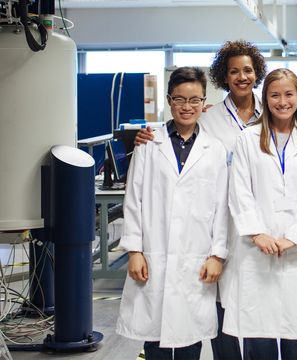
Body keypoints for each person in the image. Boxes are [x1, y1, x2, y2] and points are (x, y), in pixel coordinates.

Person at [134, 40, 267, 360]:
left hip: (261, 223)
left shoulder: (272, 115)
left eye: (247, 70)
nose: (241, 77)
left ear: (257, 73)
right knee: (215, 310)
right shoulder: (208, 119)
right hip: (214, 229)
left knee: (259, 308)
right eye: (234, 71)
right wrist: (146, 136)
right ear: (224, 76)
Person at [116, 66, 229, 359]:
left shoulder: (213, 149)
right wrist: (134, 250)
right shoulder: (149, 144)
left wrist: (217, 255)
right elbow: (134, 200)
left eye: (194, 100)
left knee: (191, 336)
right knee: (155, 337)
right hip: (155, 253)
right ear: (169, 100)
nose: (187, 107)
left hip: (197, 255)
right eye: (180, 99)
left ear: (204, 103)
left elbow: (221, 207)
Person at [224, 68, 297, 360]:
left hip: (295, 252)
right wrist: (257, 233)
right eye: (275, 95)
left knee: (294, 335)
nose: (282, 101)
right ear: (265, 98)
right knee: (261, 338)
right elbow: (239, 190)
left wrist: (292, 237)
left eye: (289, 94)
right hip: (257, 251)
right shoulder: (247, 139)